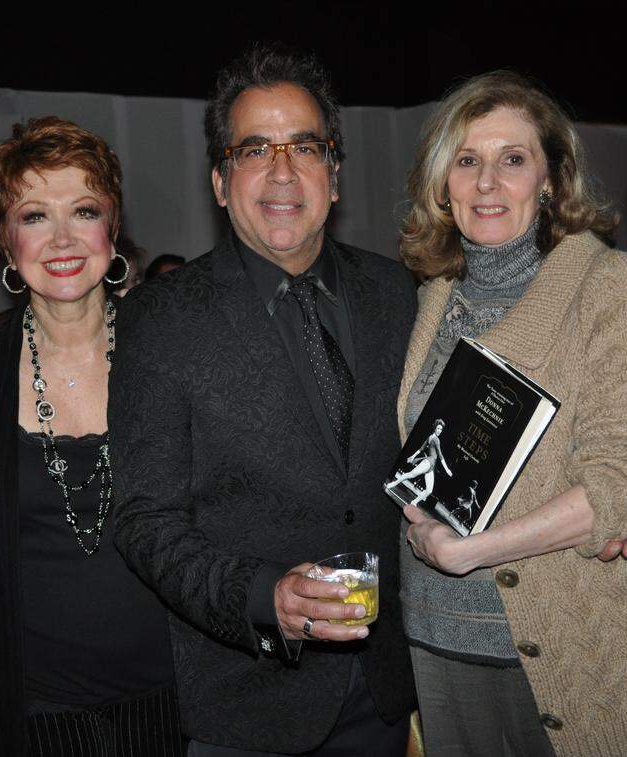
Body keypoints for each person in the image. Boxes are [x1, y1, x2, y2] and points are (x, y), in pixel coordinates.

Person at [108, 44, 417, 755]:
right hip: (246, 707)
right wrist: (261, 597)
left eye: (305, 146)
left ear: (334, 174)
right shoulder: (163, 317)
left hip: (384, 693)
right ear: (220, 182)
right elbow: (144, 517)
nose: (282, 170)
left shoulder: (397, 294)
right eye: (254, 150)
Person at [397, 71, 627, 756]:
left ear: (550, 180)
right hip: (434, 642)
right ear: (443, 185)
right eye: (468, 160)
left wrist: (474, 551)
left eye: (512, 159)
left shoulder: (606, 284)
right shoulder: (437, 296)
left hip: (555, 647)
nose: (488, 182)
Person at [0, 116, 181, 757]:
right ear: (6, 240)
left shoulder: (175, 353)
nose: (63, 238)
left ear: (113, 227)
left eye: (84, 209)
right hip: (30, 709)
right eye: (35, 216)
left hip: (180, 700)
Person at [385, 419, 453, 506]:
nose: (440, 431)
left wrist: (413, 456)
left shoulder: (430, 437)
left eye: (441, 429)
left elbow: (421, 449)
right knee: (411, 474)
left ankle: (414, 502)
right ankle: (393, 483)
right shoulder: (436, 439)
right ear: (435, 428)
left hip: (431, 467)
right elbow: (440, 455)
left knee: (429, 490)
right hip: (428, 463)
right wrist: (447, 469)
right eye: (438, 428)